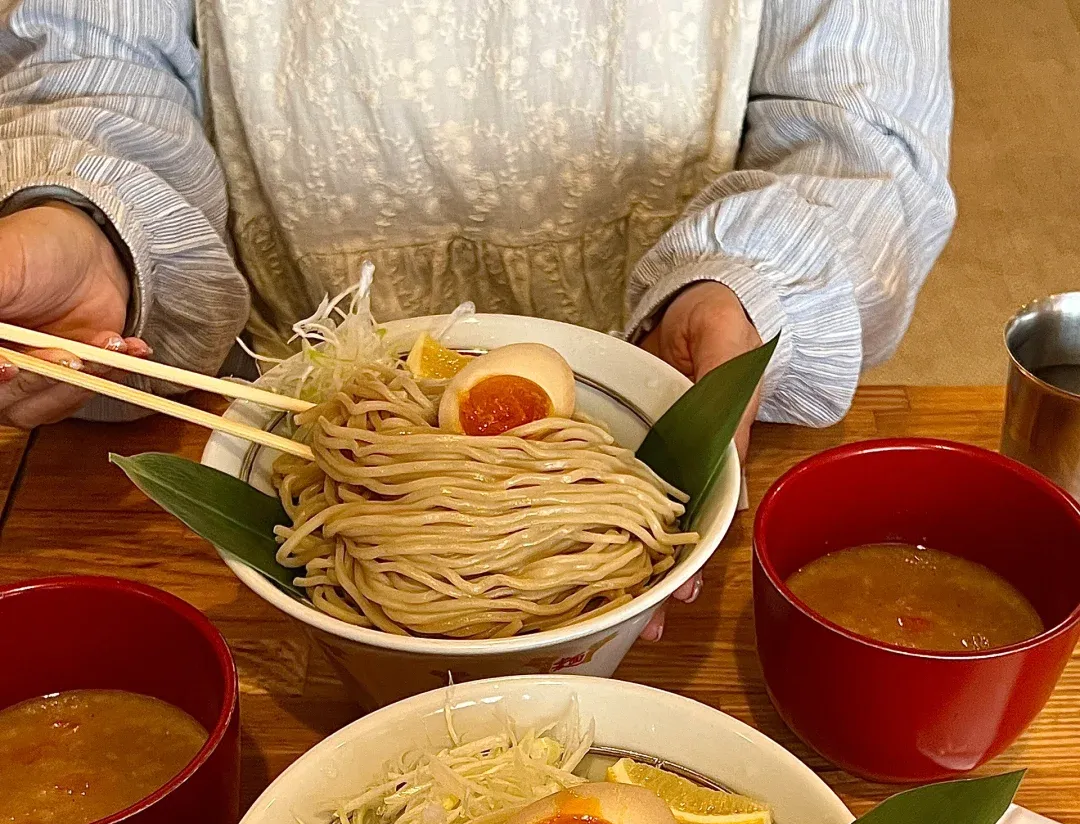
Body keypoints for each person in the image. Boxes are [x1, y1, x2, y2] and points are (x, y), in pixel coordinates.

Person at [0, 0, 954, 632]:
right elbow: (100, 57)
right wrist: (90, 224)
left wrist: (740, 288)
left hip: (651, 415)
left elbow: (859, 130)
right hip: (313, 442)